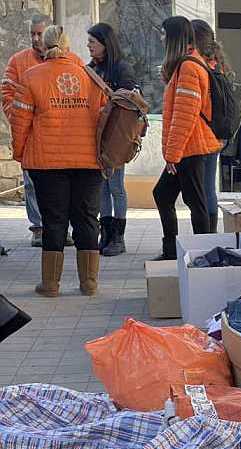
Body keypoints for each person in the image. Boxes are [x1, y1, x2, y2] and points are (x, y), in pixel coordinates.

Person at [10, 25, 106, 297]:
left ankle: (51, 284)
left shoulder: (31, 77)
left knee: (54, 220)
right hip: (88, 161)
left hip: (47, 162)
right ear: (67, 45)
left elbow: (20, 123)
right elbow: (102, 119)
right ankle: (89, 283)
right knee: (87, 218)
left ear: (44, 46)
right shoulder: (91, 77)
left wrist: (20, 153)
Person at [1, 14, 78, 248]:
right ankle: (38, 228)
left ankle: (61, 229)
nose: (36, 39)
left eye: (40, 34)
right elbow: (7, 93)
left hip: (63, 137)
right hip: (33, 135)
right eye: (32, 34)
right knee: (32, 184)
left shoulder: (71, 61)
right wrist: (19, 118)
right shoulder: (18, 61)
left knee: (64, 188)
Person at [153, 16, 221, 260]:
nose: (160, 38)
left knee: (196, 203)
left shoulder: (189, 67)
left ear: (174, 38)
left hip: (191, 148)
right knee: (163, 195)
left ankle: (204, 255)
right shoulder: (187, 64)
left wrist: (172, 154)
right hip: (189, 147)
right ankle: (173, 250)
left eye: (163, 34)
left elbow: (185, 115)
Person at [87, 22, 136, 257]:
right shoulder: (91, 69)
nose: (89, 46)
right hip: (96, 136)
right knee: (101, 188)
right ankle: (105, 234)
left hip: (116, 137)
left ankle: (119, 237)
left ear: (105, 44)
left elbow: (129, 105)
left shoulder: (121, 69)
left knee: (116, 186)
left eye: (92, 42)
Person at [191, 19, 229, 234]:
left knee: (204, 188)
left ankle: (207, 234)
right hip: (215, 134)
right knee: (208, 187)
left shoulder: (201, 66)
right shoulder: (217, 63)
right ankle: (210, 233)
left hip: (205, 135)